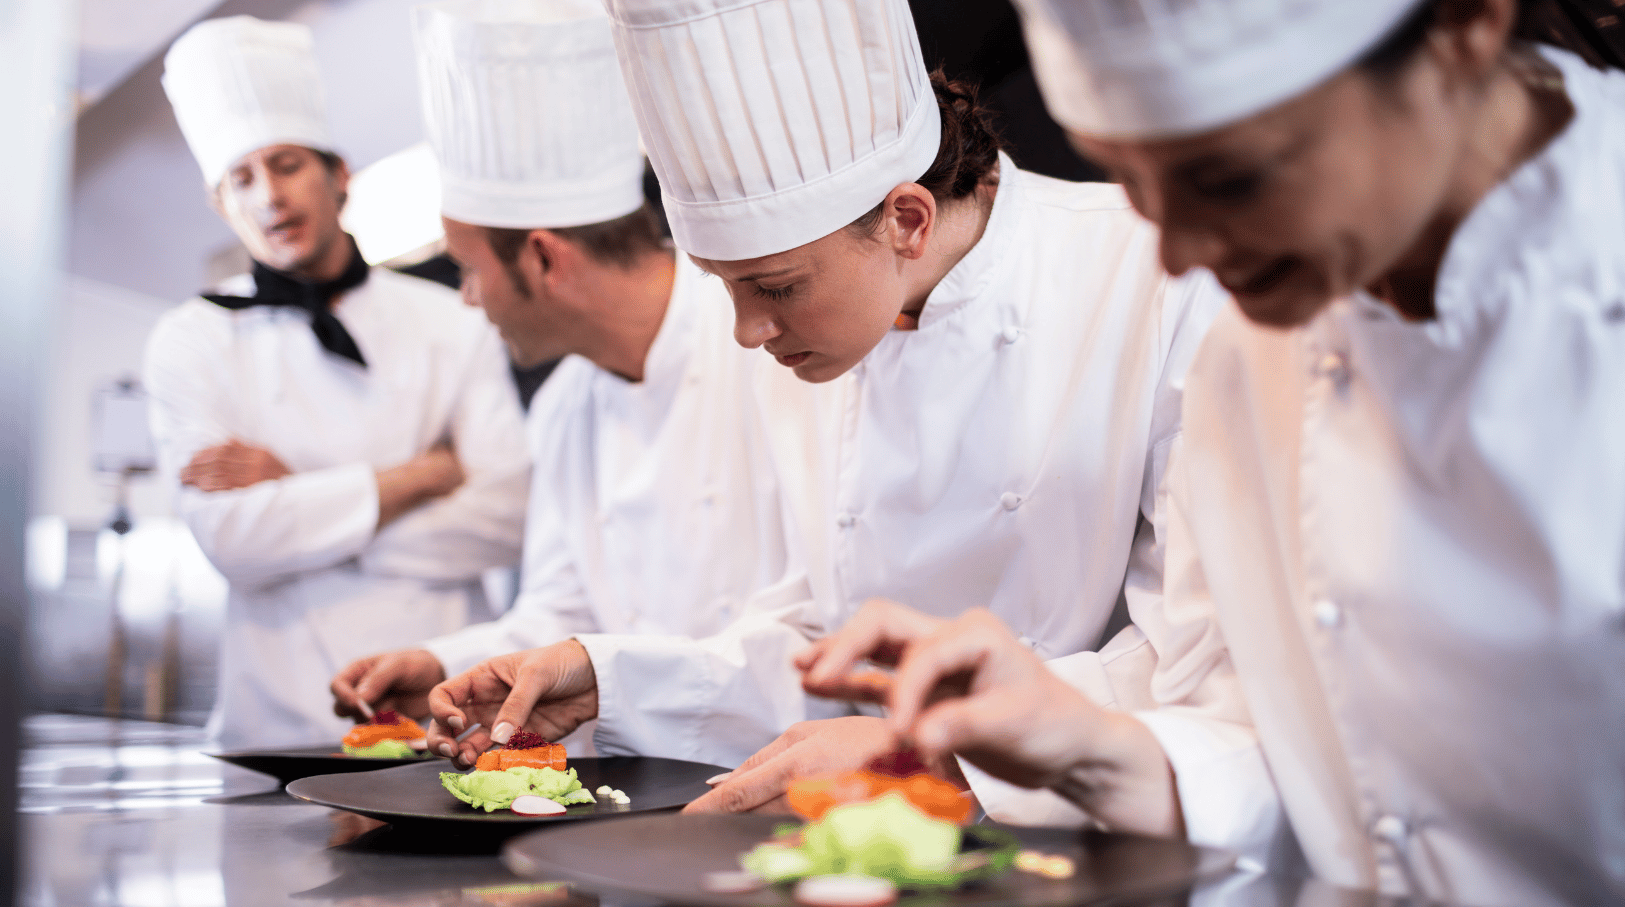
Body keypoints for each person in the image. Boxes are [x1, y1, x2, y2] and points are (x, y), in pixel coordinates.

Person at [802, 0, 1625, 907]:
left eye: (1230, 178)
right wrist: (1085, 745)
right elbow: (1298, 763)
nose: (1181, 253)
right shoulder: (1251, 354)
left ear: (1464, 26)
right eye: (1130, 182)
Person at [425, 0, 1227, 814]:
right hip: (882, 833)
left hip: (1101, 835)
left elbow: (1196, 666)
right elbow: (826, 647)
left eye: (774, 288)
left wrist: (936, 748)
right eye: (723, 287)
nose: (746, 333)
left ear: (906, 220)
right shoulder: (822, 340)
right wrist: (613, 678)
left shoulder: (1155, 280)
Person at [327, 0, 803, 764]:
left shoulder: (777, 344)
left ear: (545, 259)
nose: (467, 299)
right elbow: (557, 613)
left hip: (790, 778)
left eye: (470, 269)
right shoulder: (563, 407)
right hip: (628, 790)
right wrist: (442, 665)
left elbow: (817, 623)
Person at [145, 16, 529, 749]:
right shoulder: (190, 336)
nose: (269, 196)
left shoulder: (453, 319)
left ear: (339, 174)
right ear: (221, 204)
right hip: (271, 728)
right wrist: (421, 477)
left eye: (286, 165)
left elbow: (507, 516)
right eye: (241, 179)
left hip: (444, 717)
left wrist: (299, 495)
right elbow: (231, 540)